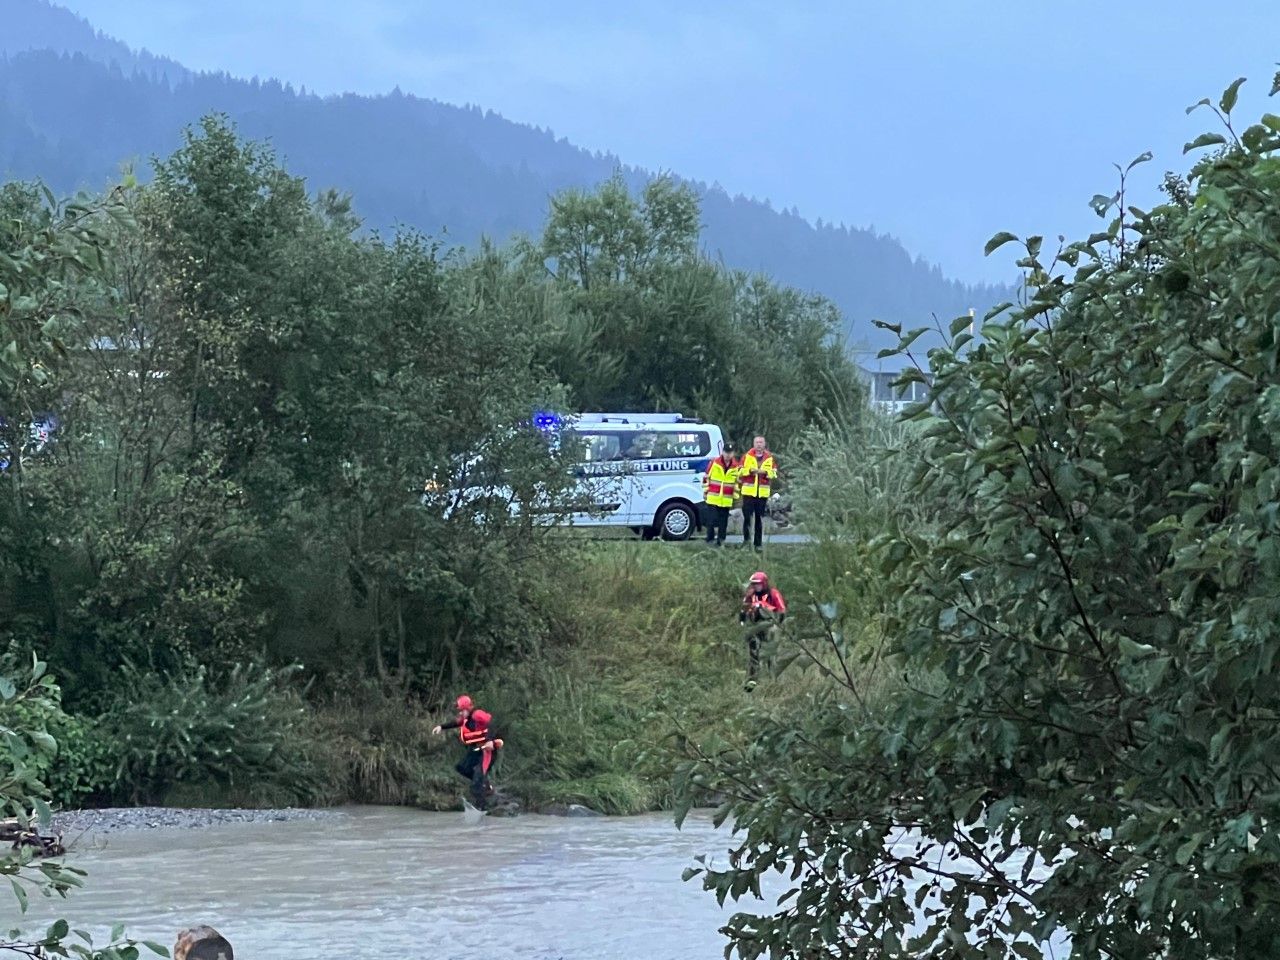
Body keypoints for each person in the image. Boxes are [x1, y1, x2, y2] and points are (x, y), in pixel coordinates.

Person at [432, 694, 503, 810]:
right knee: (461, 768)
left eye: (461, 710)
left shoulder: (477, 714)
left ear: (467, 708)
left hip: (487, 751)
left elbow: (491, 723)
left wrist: (490, 741)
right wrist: (441, 727)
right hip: (477, 750)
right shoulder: (466, 718)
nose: (460, 713)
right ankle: (485, 784)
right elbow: (456, 723)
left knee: (476, 783)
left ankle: (482, 808)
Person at [738, 571, 786, 690]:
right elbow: (744, 608)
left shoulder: (773, 594)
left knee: (770, 655)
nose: (756, 586)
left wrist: (777, 625)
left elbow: (782, 611)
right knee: (753, 653)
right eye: (754, 584)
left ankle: (774, 683)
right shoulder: (751, 594)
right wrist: (743, 619)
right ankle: (752, 680)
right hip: (755, 626)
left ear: (764, 584)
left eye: (758, 584)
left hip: (770, 626)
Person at [737, 435, 778, 552]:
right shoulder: (747, 456)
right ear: (753, 444)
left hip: (762, 494)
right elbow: (739, 471)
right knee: (747, 519)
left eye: (761, 442)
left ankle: (758, 544)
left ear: (764, 444)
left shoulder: (769, 457)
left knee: (759, 519)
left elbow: (774, 473)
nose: (759, 444)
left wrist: (765, 472)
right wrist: (749, 471)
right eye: (757, 442)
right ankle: (746, 542)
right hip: (748, 493)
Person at [701, 441, 738, 547]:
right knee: (711, 521)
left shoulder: (736, 466)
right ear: (722, 452)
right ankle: (710, 539)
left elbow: (737, 482)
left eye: (730, 452)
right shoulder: (715, 463)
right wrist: (705, 492)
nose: (728, 454)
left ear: (733, 453)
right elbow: (706, 478)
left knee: (723, 522)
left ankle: (721, 541)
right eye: (726, 452)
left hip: (726, 498)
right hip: (713, 496)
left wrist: (735, 496)